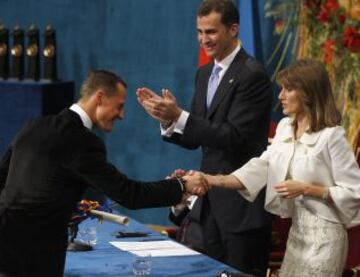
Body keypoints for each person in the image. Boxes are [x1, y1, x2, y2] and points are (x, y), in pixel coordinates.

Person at [0, 70, 208, 277]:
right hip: (33, 255)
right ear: (99, 97)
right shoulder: (81, 140)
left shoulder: (34, 125)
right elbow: (129, 194)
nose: (121, 115)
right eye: (119, 105)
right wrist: (181, 185)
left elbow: (3, 177)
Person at [185, 60, 360, 276]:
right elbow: (260, 167)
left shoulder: (332, 136)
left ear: (308, 92)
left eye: (288, 89)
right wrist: (212, 179)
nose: (280, 96)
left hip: (326, 239)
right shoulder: (286, 128)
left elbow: (355, 192)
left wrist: (307, 189)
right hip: (297, 237)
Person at [136, 0, 273, 274]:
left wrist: (181, 116)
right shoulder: (204, 73)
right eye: (199, 32)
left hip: (241, 209)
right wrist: (167, 119)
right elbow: (195, 137)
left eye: (210, 32)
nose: (203, 39)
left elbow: (235, 137)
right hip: (209, 207)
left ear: (233, 29)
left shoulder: (253, 75)